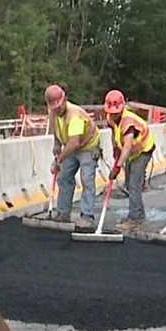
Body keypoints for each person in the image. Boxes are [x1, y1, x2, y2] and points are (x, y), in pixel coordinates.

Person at [46, 84, 101, 230]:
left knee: (87, 180)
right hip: (71, 147)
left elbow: (74, 143)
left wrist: (59, 160)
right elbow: (56, 128)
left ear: (64, 100)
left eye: (58, 106)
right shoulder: (53, 112)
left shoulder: (74, 115)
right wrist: (56, 144)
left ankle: (87, 217)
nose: (57, 110)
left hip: (87, 147)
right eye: (54, 108)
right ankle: (63, 213)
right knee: (63, 177)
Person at [104, 89, 155, 234]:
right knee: (129, 183)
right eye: (111, 111)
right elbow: (114, 134)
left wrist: (117, 166)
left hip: (144, 149)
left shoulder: (128, 121)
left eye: (116, 111)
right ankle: (138, 212)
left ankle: (135, 218)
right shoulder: (110, 118)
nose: (113, 114)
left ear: (122, 107)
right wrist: (115, 150)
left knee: (134, 183)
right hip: (132, 152)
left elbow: (127, 146)